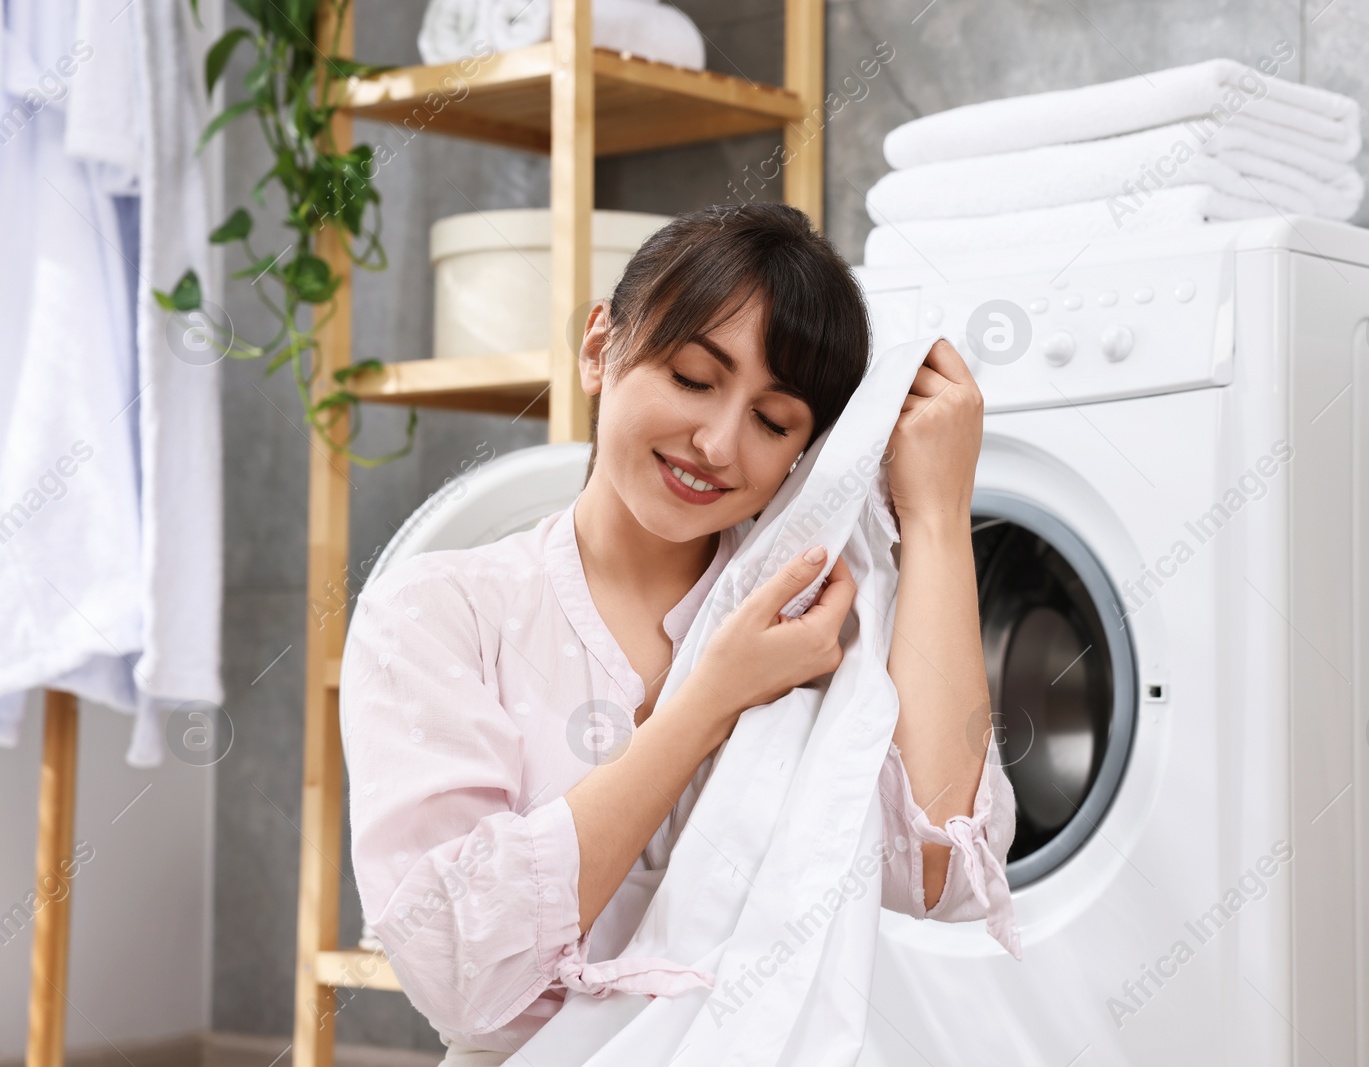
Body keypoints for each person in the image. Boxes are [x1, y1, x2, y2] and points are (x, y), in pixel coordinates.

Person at [340, 202, 1017, 1062]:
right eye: (694, 378)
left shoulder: (815, 617)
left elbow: (940, 876)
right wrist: (710, 700)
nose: (717, 442)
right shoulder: (437, 612)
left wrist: (936, 516)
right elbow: (458, 971)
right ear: (599, 349)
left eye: (775, 423)